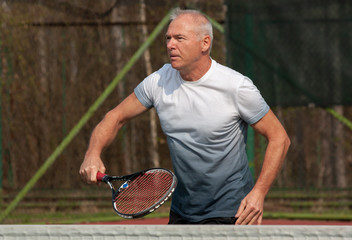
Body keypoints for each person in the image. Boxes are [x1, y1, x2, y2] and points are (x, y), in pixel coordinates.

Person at [79, 8, 290, 225]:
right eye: (168, 38)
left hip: (232, 212)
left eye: (180, 38)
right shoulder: (158, 81)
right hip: (182, 212)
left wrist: (259, 193)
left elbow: (279, 138)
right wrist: (92, 153)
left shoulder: (236, 87)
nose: (171, 44)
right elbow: (115, 117)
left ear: (205, 43)